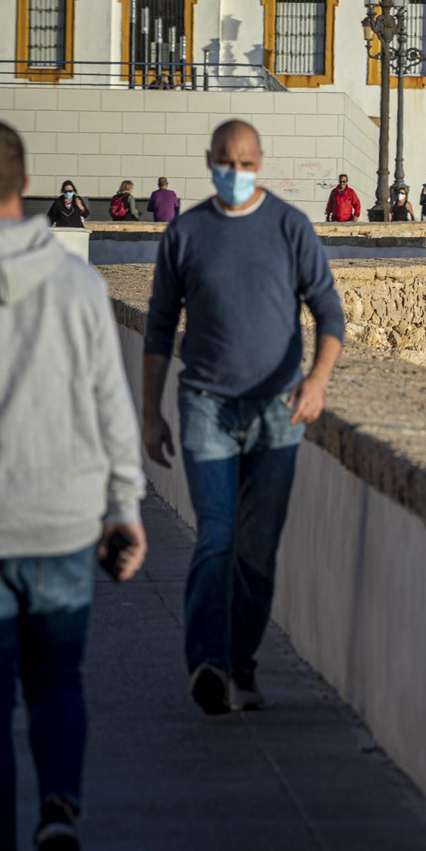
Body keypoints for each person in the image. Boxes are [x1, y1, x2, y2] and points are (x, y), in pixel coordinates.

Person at [0, 121, 147, 851]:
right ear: (26, 182)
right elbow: (114, 406)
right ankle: (61, 815)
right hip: (63, 522)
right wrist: (126, 510)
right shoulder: (78, 288)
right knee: (53, 684)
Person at [142, 119, 344, 717]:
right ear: (210, 161)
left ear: (260, 162)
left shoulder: (289, 226)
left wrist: (317, 382)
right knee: (217, 537)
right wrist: (149, 413)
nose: (235, 171)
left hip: (278, 412)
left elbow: (329, 314)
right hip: (205, 403)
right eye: (226, 161)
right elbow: (157, 328)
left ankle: (241, 664)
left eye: (246, 162)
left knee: (256, 548)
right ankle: (206, 663)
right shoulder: (186, 232)